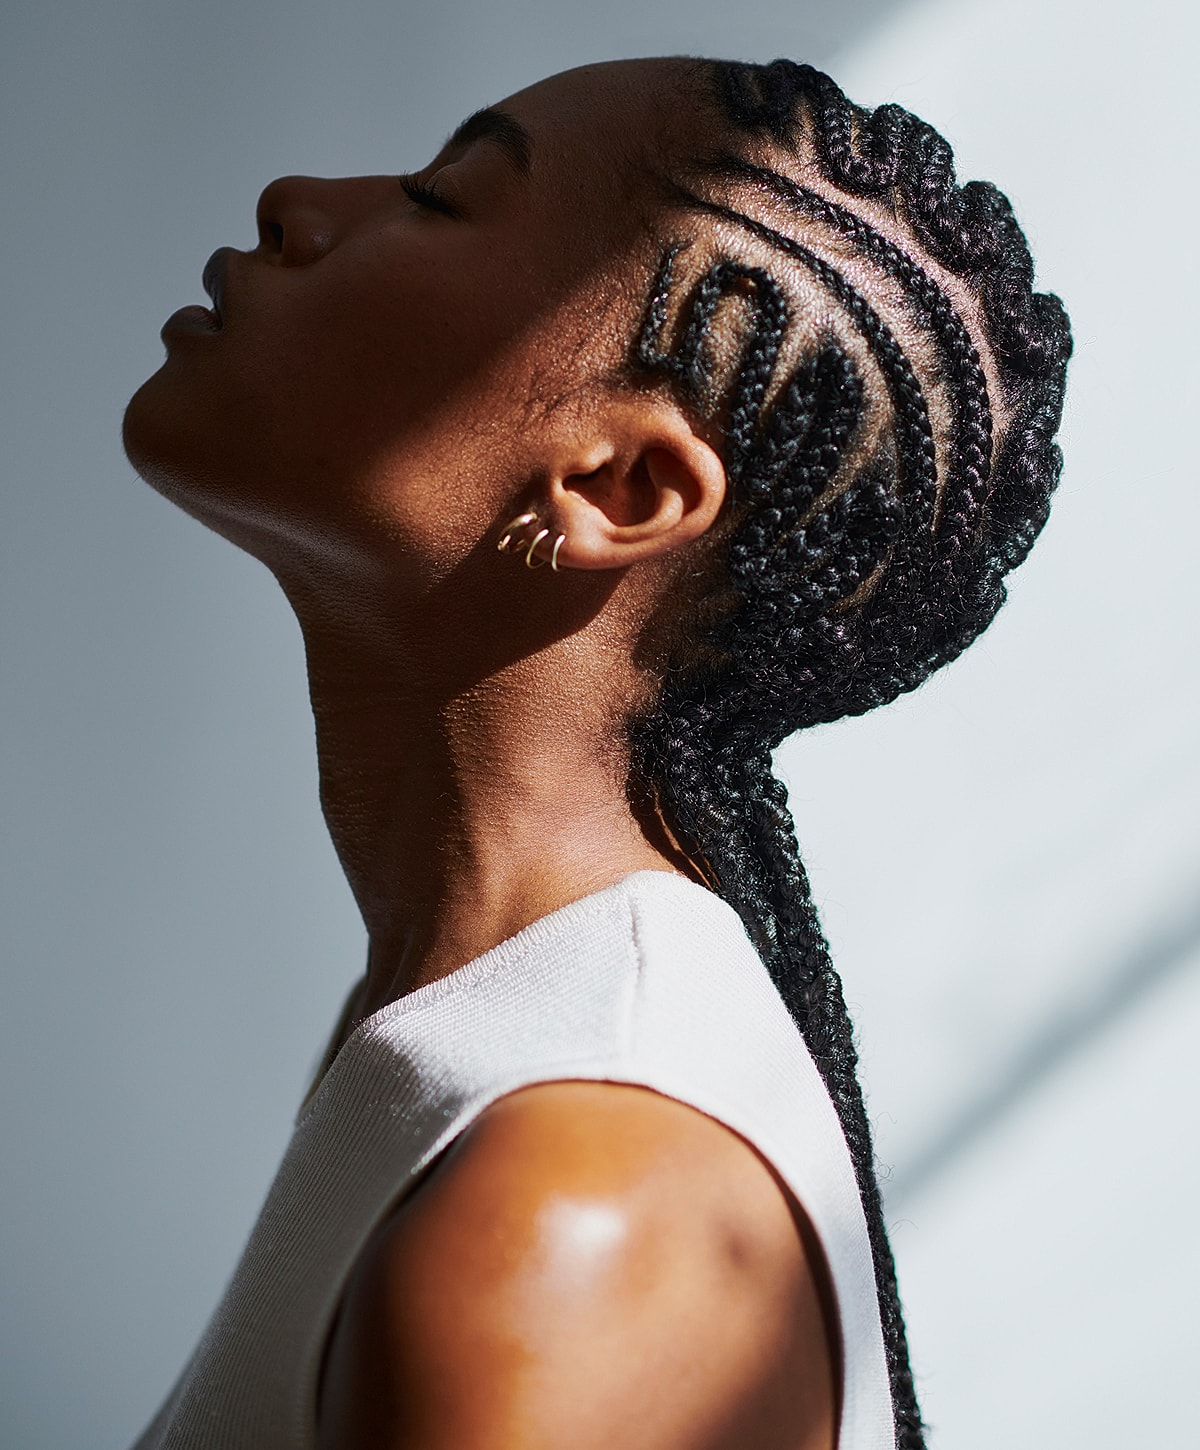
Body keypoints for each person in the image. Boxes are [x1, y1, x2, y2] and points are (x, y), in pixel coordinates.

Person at [122, 55, 1071, 1450]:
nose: (297, 203)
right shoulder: (473, 1029)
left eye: (441, 198)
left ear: (621, 487)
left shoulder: (577, 1210)